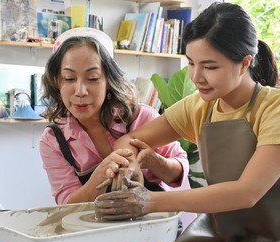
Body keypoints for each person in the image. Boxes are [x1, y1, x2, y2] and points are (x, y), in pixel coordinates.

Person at [94, 2, 280, 242]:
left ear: (244, 64)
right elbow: (129, 140)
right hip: (230, 229)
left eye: (210, 67)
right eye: (191, 63)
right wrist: (130, 165)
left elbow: (247, 192)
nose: (196, 77)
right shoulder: (198, 105)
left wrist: (149, 201)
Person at [39, 27, 190, 207]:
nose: (80, 91)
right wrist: (101, 176)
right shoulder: (54, 140)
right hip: (94, 231)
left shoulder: (141, 117)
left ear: (109, 80)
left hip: (154, 226)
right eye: (69, 78)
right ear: (56, 81)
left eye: (93, 78)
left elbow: (179, 172)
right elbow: (66, 205)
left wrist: (154, 161)